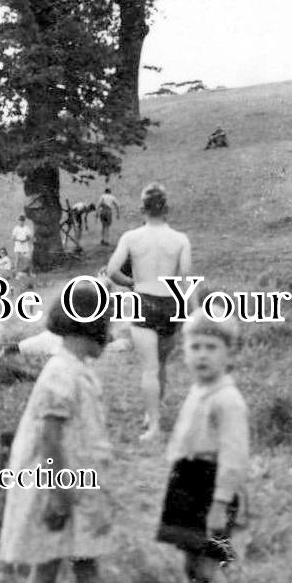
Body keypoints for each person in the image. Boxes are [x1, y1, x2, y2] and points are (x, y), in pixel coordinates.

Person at [0, 282, 115, 583]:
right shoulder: (60, 372)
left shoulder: (79, 370)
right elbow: (49, 439)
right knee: (45, 568)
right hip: (53, 487)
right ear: (93, 329)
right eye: (107, 326)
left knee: (87, 563)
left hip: (79, 486)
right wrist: (59, 495)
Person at [156, 308, 248, 583]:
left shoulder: (228, 400)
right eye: (195, 346)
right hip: (187, 484)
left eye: (211, 347)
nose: (202, 354)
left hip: (213, 491)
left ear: (229, 353)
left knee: (211, 567)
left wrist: (220, 503)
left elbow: (235, 457)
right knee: (188, 563)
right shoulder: (198, 390)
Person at [105, 183, 191, 441]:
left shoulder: (131, 238)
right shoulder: (180, 239)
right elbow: (185, 279)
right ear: (167, 208)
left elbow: (111, 272)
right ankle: (152, 416)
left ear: (142, 209)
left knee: (149, 369)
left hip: (144, 300)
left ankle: (153, 424)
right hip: (170, 303)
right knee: (161, 364)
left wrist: (131, 283)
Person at [11, 215, 34, 281]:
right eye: (20, 221)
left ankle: (29, 273)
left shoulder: (27, 228)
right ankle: (16, 274)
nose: (21, 222)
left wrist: (25, 240)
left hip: (25, 245)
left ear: (24, 221)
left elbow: (29, 236)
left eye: (22, 221)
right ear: (18, 221)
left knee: (27, 259)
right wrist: (19, 240)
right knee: (17, 259)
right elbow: (13, 237)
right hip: (18, 245)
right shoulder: (16, 228)